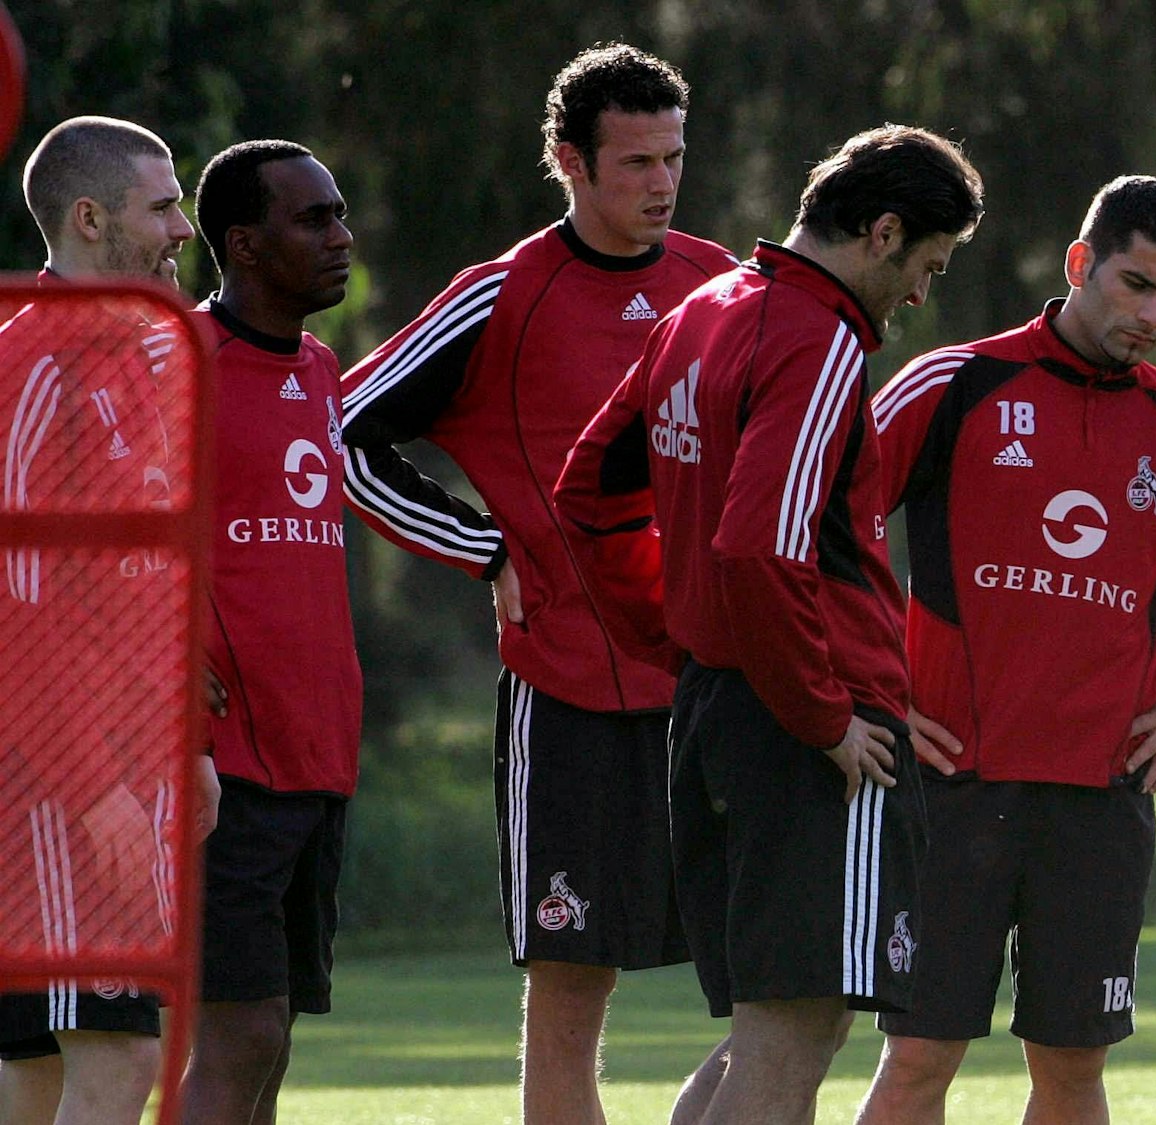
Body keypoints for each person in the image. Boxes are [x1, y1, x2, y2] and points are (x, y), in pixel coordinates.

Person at [336, 43, 738, 1123]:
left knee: (788, 984)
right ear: (569, 162)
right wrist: (479, 546)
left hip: (720, 690)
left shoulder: (723, 288)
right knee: (570, 995)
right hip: (568, 697)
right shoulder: (499, 296)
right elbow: (337, 436)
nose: (660, 181)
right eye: (634, 161)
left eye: (674, 157)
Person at [555, 123, 984, 1125]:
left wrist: (676, 639)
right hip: (805, 727)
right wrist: (823, 716)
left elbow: (587, 490)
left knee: (780, 1023)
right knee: (792, 1034)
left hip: (720, 705)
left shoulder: (701, 310)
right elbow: (761, 547)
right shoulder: (817, 336)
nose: (923, 292)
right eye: (928, 264)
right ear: (881, 233)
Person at [851, 175, 1156, 1125]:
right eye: (1135, 284)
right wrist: (867, 688)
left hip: (1099, 800)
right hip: (950, 787)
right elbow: (827, 533)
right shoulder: (956, 384)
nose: (1153, 314)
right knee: (921, 1058)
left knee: (1074, 1069)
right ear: (1080, 264)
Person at [0, 114, 218, 1125]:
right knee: (119, 1056)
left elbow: (149, 587)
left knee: (39, 1070)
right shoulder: (33, 367)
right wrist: (93, 790)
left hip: (134, 768)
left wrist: (187, 745)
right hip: (52, 788)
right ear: (88, 218)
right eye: (163, 206)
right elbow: (18, 614)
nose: (184, 228)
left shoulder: (142, 354)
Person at [171, 139, 364, 1124]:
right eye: (313, 219)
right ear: (243, 246)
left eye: (338, 213)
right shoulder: (177, 362)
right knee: (238, 1033)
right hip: (226, 763)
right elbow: (113, 541)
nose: (340, 236)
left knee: (272, 1036)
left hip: (313, 749)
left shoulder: (325, 367)